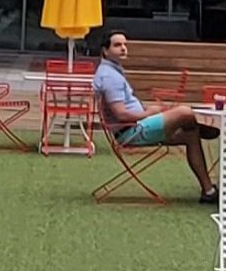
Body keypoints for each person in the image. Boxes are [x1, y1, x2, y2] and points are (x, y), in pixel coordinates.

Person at [91, 33, 218, 201]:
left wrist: (148, 111)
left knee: (191, 136)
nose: (123, 48)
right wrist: (148, 113)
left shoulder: (111, 72)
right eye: (117, 45)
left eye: (124, 44)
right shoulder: (109, 77)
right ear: (105, 51)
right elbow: (121, 114)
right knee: (185, 112)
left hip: (137, 126)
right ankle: (197, 127)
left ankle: (208, 191)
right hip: (133, 132)